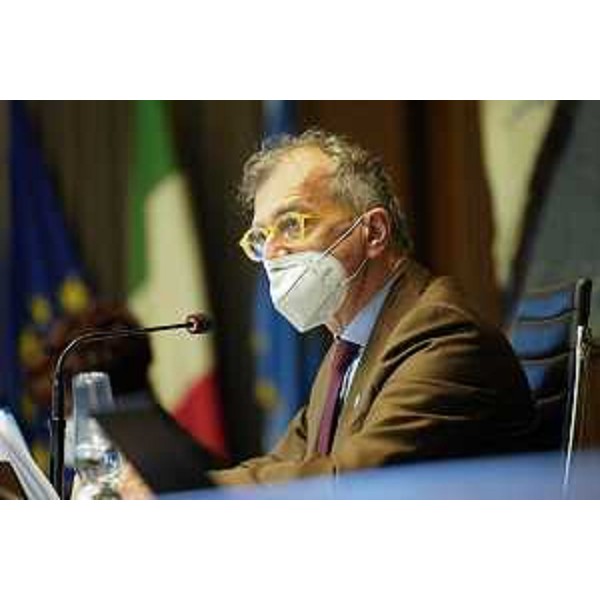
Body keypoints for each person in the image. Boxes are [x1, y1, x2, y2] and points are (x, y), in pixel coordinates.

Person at [211, 128, 534, 487]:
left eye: (291, 224)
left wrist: (193, 493)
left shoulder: (442, 336)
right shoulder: (346, 352)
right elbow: (285, 463)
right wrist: (179, 487)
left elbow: (352, 482)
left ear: (375, 232)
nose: (272, 252)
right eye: (260, 237)